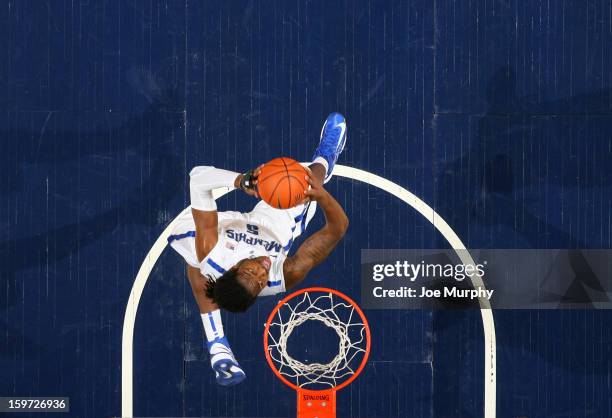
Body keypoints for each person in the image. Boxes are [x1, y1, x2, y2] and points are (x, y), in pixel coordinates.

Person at [168, 113, 348, 386]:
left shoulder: (214, 253)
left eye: (251, 271)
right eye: (260, 281)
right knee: (309, 178)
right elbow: (337, 228)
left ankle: (216, 342)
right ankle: (327, 155)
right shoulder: (286, 273)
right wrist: (322, 196)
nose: (263, 269)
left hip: (223, 230)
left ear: (236, 266)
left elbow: (198, 178)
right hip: (275, 225)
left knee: (198, 261)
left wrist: (242, 180)